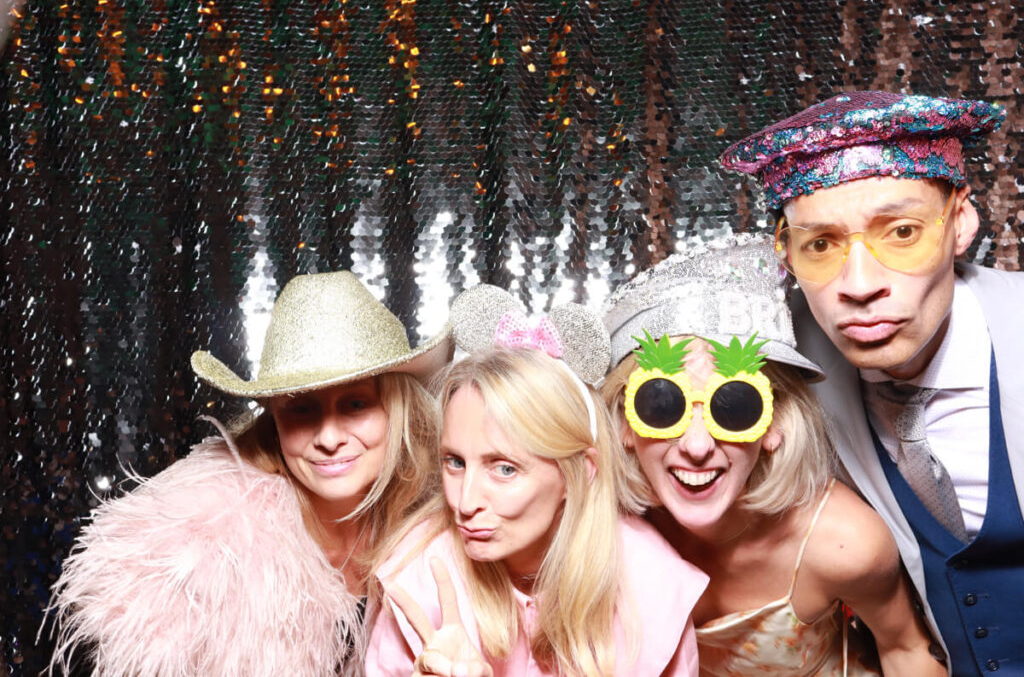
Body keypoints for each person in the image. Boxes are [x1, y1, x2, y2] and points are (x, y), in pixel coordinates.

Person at [721, 91, 1023, 675]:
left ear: (960, 223)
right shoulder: (782, 375)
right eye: (821, 245)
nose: (859, 284)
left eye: (902, 233)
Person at [44, 271, 450, 676]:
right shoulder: (210, 543)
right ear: (274, 418)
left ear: (396, 411)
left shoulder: (431, 533)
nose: (328, 437)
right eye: (302, 407)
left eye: (356, 405)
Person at [601, 235, 945, 676]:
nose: (698, 446)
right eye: (662, 405)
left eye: (736, 407)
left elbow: (907, 652)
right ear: (625, 424)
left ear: (777, 425)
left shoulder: (842, 541)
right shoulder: (596, 535)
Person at [365, 284, 708, 676]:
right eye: (455, 462)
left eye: (504, 468)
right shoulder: (420, 577)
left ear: (581, 472)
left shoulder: (651, 586)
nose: (465, 501)